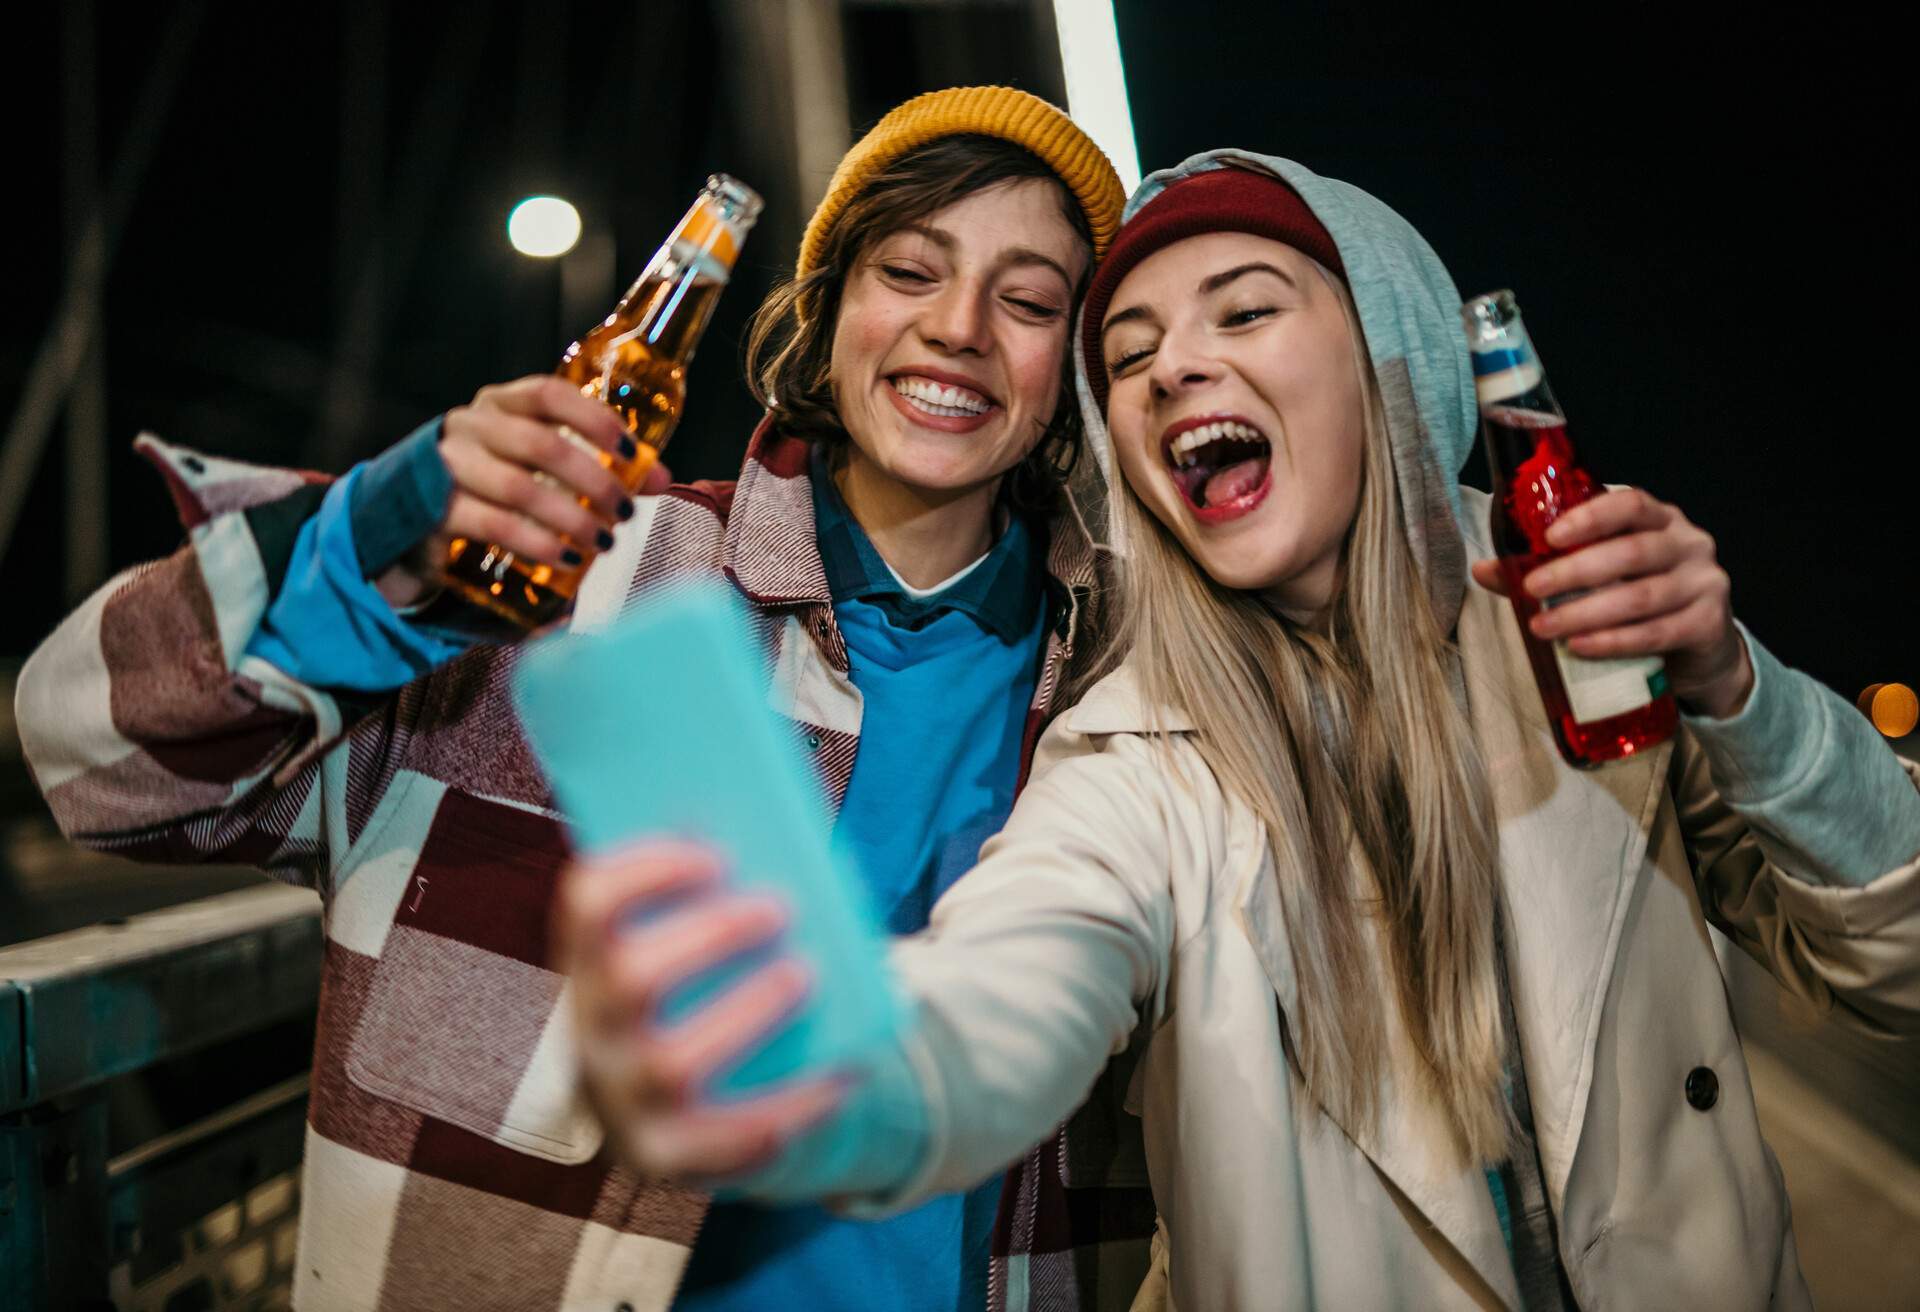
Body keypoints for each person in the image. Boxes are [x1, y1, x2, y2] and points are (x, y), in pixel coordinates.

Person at [554, 151, 1920, 1310]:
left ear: (1390, 354)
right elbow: (1013, 987)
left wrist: (1738, 689)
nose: (1172, 370)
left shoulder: (1595, 662)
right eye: (1129, 355)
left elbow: (1898, 973)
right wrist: (829, 1081)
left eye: (1244, 312)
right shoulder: (1133, 757)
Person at [15, 88, 1157, 1310]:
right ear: (827, 315)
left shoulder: (1128, 682)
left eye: (1031, 301)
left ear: (1071, 376)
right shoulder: (570, 574)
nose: (961, 328)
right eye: (908, 271)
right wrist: (384, 535)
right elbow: (90, 755)